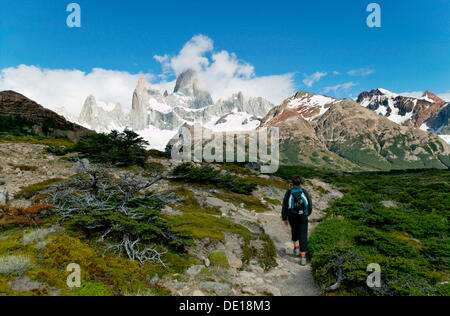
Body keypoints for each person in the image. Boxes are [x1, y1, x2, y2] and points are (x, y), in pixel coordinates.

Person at [282, 176, 313, 266]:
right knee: (303, 233)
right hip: (303, 216)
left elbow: (284, 205)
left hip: (292, 215)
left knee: (294, 230)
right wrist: (307, 213)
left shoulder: (288, 192)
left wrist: (284, 218)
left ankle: (296, 248)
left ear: (292, 183)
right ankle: (303, 257)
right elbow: (310, 203)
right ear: (300, 183)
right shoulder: (303, 191)